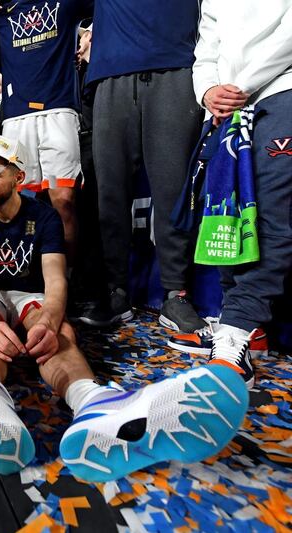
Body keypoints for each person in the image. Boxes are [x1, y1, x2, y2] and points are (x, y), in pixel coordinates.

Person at [0, 135, 251, 480]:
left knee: (60, 332)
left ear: (17, 177)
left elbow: (55, 281)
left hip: (27, 296)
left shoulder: (44, 216)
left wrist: (48, 322)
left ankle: (92, 403)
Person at [168, 0, 292, 388]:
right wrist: (208, 92)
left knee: (271, 213)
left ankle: (236, 329)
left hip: (280, 91)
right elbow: (206, 52)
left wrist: (239, 88)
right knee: (223, 216)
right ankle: (247, 329)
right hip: (226, 109)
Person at [80, 0, 207, 332]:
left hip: (175, 70)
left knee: (173, 192)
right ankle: (115, 292)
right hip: (110, 77)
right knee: (109, 194)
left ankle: (175, 294)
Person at [0, 0, 93, 267]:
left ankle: (66, 281)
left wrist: (87, 40)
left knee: (63, 199)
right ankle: (26, 277)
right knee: (19, 203)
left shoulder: (64, 4)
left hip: (58, 112)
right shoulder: (2, 16)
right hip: (17, 119)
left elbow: (106, 11)